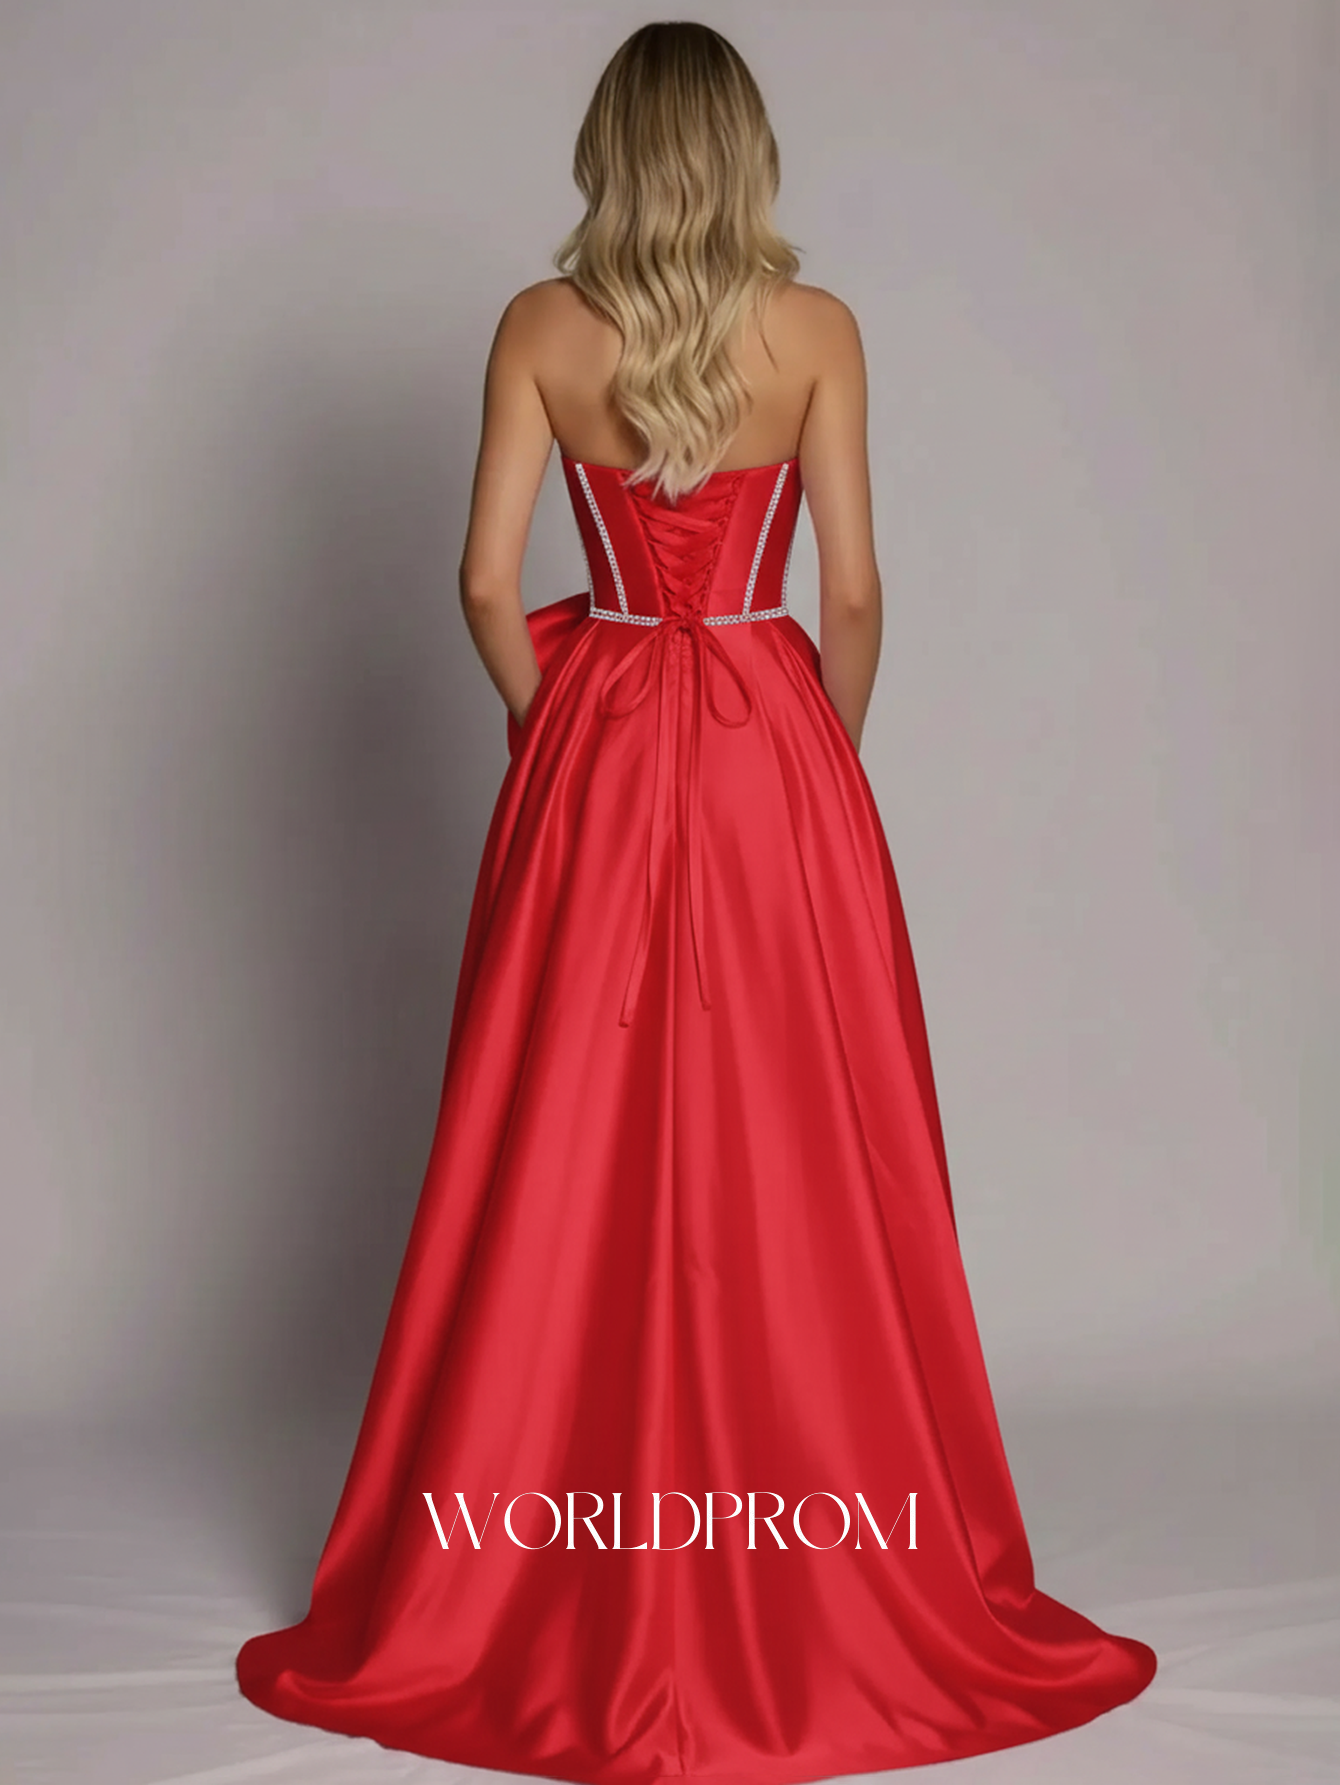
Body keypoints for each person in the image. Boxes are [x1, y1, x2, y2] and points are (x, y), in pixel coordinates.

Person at [236, 20, 1157, 1781]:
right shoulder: (818, 333)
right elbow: (856, 592)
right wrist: (813, 757)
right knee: (797, 1128)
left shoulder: (539, 326)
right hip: (763, 742)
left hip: (596, 740)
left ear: (609, 149)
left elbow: (485, 583)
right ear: (744, 154)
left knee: (564, 1127)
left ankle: (536, 1562)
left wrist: (555, 721)